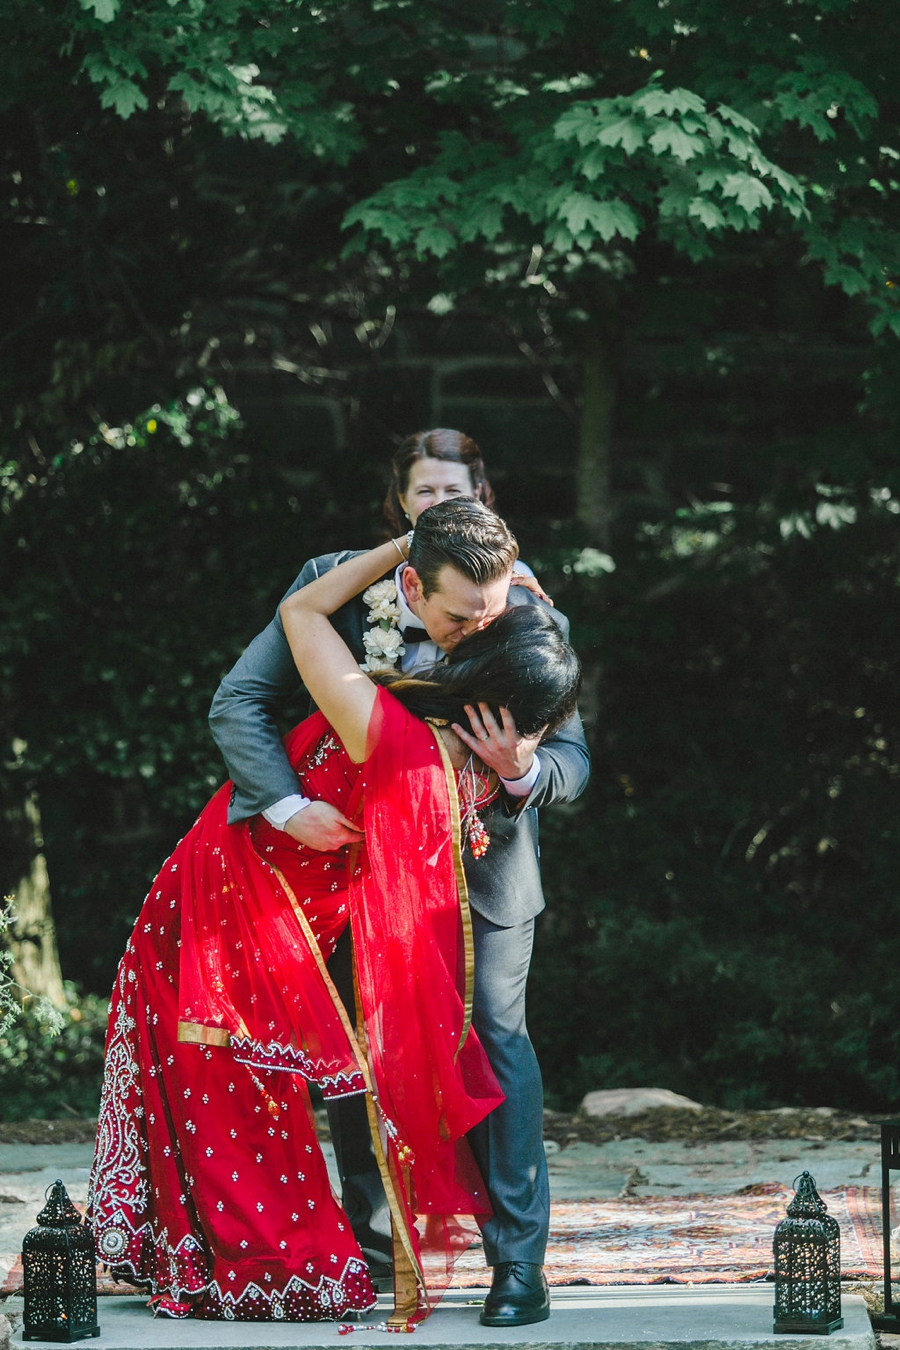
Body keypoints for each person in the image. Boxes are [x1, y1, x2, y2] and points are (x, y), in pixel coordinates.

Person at [87, 522, 582, 1328]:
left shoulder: (523, 623)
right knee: (324, 1059)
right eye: (462, 619)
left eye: (486, 623)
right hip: (292, 876)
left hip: (446, 880)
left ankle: (512, 1265)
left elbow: (573, 757)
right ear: (416, 584)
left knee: (485, 1044)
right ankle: (336, 1244)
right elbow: (241, 697)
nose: (478, 630)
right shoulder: (365, 629)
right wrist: (286, 806)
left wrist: (521, 768)